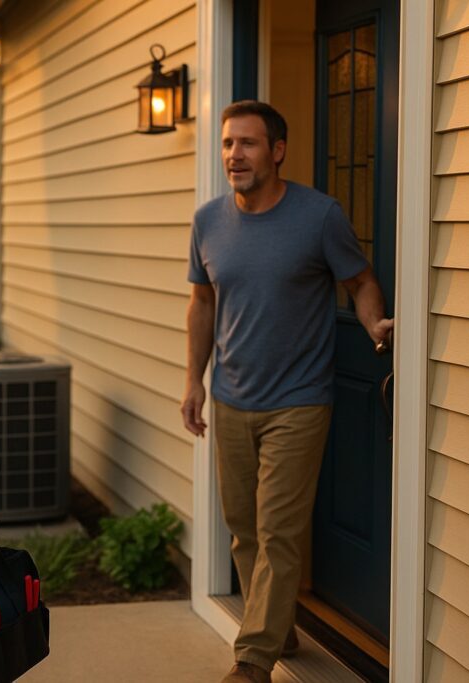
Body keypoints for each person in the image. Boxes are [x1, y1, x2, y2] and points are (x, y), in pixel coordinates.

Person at [182, 101, 393, 683]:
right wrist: (193, 382)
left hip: (299, 400)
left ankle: (252, 661)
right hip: (230, 397)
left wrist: (374, 326)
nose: (234, 155)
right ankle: (277, 625)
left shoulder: (318, 216)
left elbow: (360, 279)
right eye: (227, 144)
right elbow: (202, 303)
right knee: (244, 530)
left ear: (277, 151)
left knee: (276, 532)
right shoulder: (208, 220)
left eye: (247, 144)